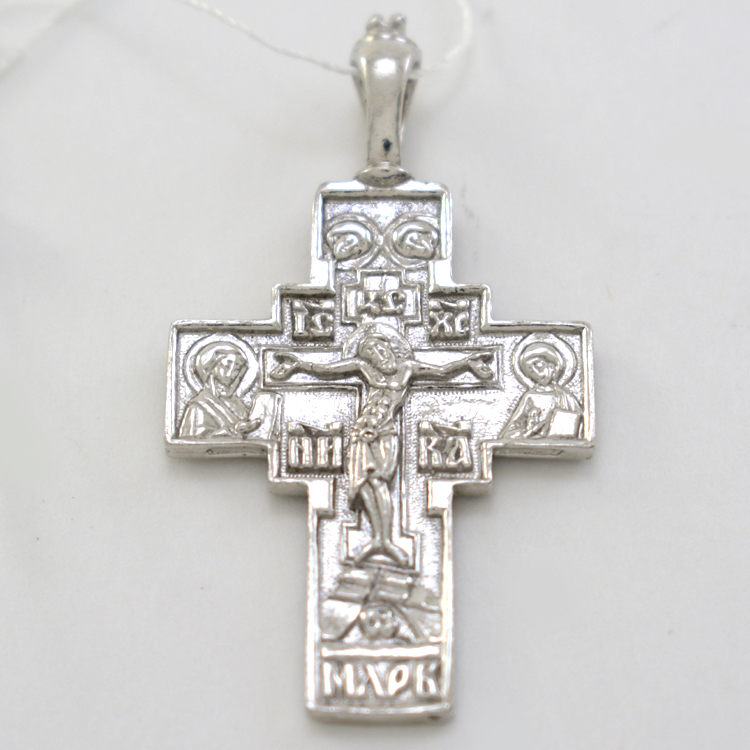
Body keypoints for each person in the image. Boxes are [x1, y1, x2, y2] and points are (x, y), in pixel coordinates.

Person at [270, 327, 493, 567]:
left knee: (379, 482)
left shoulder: (408, 369)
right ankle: (378, 540)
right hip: (362, 433)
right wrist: (299, 365)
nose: (378, 354)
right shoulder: (364, 368)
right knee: (363, 484)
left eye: (380, 347)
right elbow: (326, 371)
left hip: (385, 433)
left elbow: (442, 372)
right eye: (371, 353)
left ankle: (385, 541)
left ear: (389, 347)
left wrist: (467, 363)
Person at [179, 341, 261, 439]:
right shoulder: (198, 405)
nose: (230, 373)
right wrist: (233, 431)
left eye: (236, 369)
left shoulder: (239, 404)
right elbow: (191, 441)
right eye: (226, 366)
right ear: (212, 367)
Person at [502, 341, 582, 439]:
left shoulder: (566, 397)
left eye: (539, 365)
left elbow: (582, 423)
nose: (536, 372)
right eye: (530, 370)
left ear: (553, 367)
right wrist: (528, 432)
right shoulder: (530, 396)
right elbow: (512, 429)